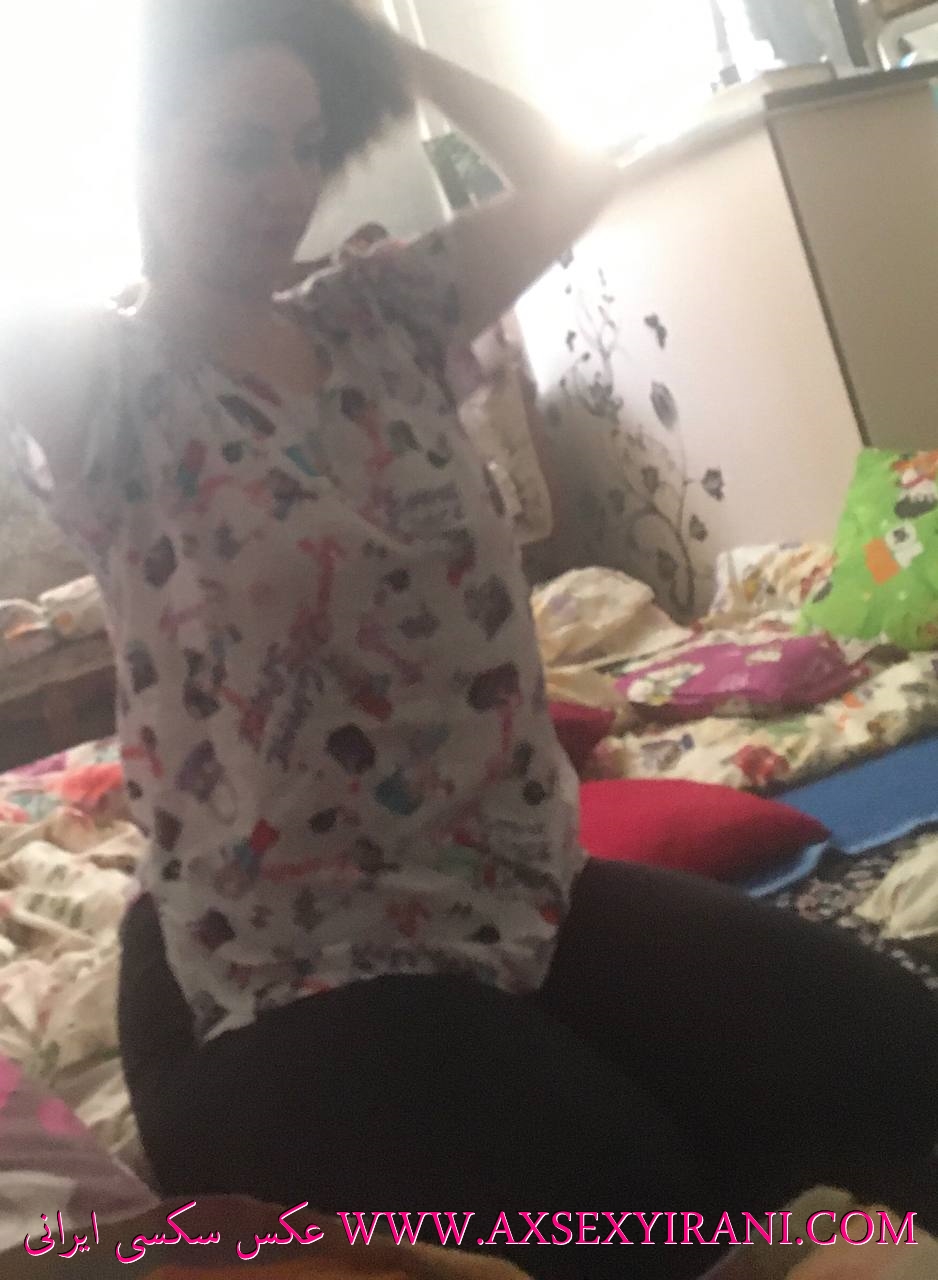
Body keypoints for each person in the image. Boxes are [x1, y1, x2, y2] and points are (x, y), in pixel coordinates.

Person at [1, 3, 937, 1277]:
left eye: (306, 145)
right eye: (238, 149)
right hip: (277, 960)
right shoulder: (96, 378)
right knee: (633, 1209)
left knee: (890, 1056)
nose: (283, 187)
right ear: (140, 150)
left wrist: (375, 43)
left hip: (509, 887)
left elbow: (574, 172)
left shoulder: (382, 310)